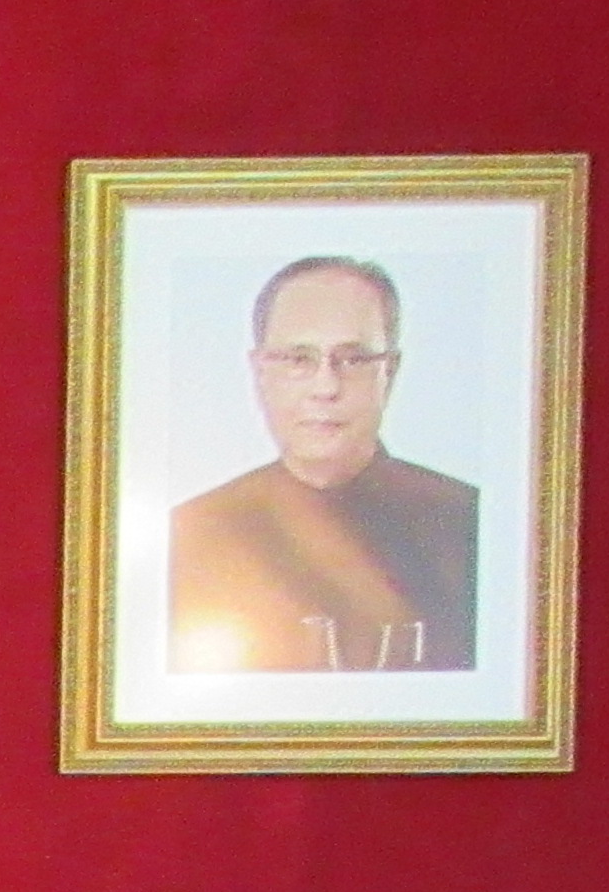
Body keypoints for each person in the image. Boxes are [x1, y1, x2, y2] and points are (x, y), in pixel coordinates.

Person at [161, 254, 478, 678]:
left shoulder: (467, 524)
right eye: (298, 359)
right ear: (259, 372)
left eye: (352, 359)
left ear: (391, 371)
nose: (326, 387)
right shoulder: (192, 532)